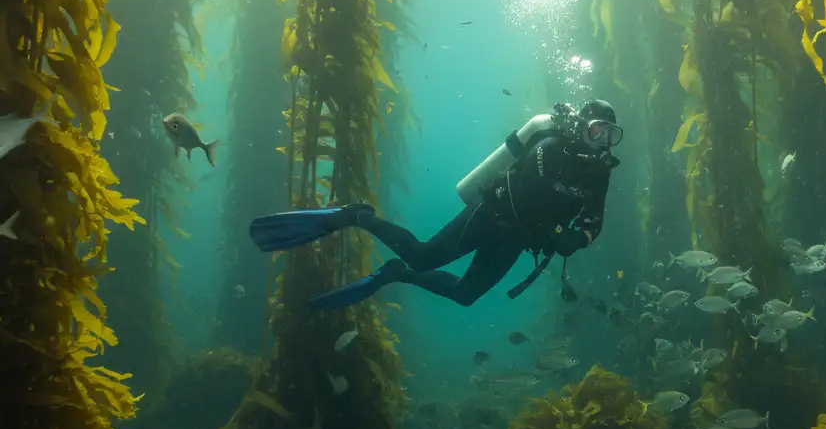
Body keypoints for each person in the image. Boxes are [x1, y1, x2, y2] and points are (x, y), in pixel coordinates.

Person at [249, 99, 622, 310]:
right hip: (492, 215)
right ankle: (355, 216)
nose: (602, 140)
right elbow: (528, 196)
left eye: (610, 134)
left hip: (516, 239)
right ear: (582, 127)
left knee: (464, 295)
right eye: (596, 130)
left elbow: (595, 218)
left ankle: (394, 273)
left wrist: (583, 238)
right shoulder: (550, 147)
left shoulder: (599, 173)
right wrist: (557, 233)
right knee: (425, 257)